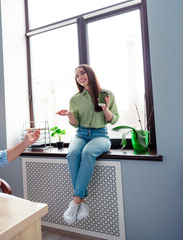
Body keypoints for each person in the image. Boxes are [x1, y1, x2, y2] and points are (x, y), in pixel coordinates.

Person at [56, 64, 119, 225]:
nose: (80, 77)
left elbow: (113, 119)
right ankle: (82, 202)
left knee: (88, 153)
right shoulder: (75, 99)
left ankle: (76, 201)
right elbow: (75, 124)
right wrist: (70, 115)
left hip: (101, 135)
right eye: (77, 76)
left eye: (82, 73)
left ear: (90, 73)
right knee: (72, 153)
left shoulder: (107, 94)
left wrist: (104, 108)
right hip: (81, 134)